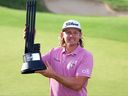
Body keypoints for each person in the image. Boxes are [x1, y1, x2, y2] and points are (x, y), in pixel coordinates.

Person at [35, 19, 93, 96]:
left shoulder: (86, 56)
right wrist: (29, 40)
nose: (71, 36)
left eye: (75, 33)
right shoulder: (54, 52)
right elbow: (33, 64)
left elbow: (77, 85)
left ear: (80, 35)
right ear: (62, 35)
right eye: (68, 32)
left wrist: (53, 75)